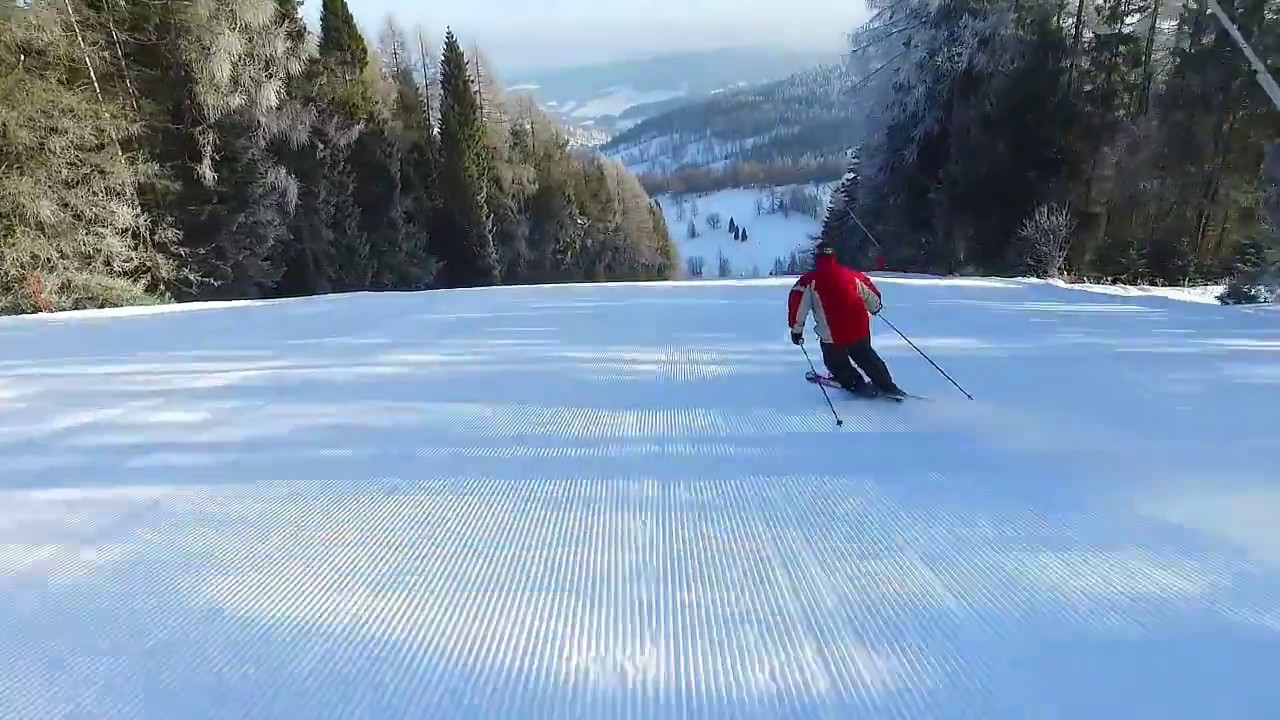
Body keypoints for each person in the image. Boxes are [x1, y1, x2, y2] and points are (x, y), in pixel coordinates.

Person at [787, 241, 905, 398]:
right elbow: (871, 294)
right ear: (834, 256)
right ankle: (887, 386)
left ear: (816, 258)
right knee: (866, 357)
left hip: (832, 334)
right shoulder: (852, 275)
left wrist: (797, 330)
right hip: (860, 329)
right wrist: (875, 308)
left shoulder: (809, 280)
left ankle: (858, 386)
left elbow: (798, 305)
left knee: (836, 363)